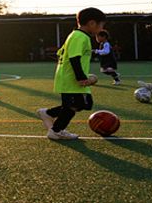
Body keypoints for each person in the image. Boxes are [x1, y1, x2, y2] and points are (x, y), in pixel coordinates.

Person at [37, 8, 106, 140]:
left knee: (83, 104)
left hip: (71, 77)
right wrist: (80, 77)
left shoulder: (76, 36)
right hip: (71, 79)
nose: (102, 28)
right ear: (92, 23)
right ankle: (56, 130)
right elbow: (74, 58)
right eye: (101, 25)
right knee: (74, 106)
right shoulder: (80, 37)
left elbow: (61, 54)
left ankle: (47, 113)